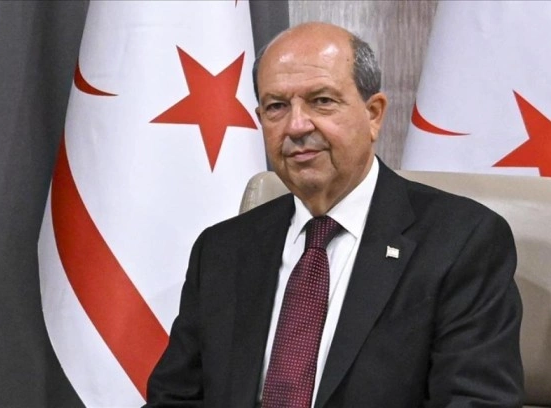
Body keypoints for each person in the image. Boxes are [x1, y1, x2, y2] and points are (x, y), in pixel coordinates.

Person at [145, 22, 523, 407]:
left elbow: (475, 401)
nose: (296, 126)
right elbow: (173, 399)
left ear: (373, 114)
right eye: (276, 107)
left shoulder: (460, 242)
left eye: (321, 101)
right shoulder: (222, 250)